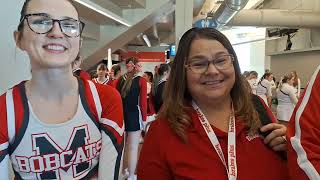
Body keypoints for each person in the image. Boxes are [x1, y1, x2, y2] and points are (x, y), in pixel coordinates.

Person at [137, 27, 288, 180]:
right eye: (199, 64)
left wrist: (291, 151)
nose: (212, 71)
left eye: (221, 60)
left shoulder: (256, 109)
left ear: (233, 63)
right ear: (183, 72)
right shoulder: (162, 133)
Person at [0, 0, 124, 179]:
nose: (57, 32)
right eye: (41, 21)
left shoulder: (105, 99)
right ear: (19, 38)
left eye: (69, 25)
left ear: (79, 42)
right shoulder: (6, 111)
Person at [115, 57, 147, 180]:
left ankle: (121, 173)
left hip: (120, 117)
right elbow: (143, 103)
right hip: (135, 116)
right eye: (139, 65)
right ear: (135, 66)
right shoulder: (141, 81)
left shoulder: (119, 81)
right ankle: (132, 175)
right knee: (133, 147)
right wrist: (144, 120)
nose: (140, 67)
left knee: (122, 148)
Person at [287, 65, 320, 180]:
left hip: (289, 112)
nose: (292, 79)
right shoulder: (289, 88)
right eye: (290, 77)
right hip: (290, 111)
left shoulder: (287, 86)